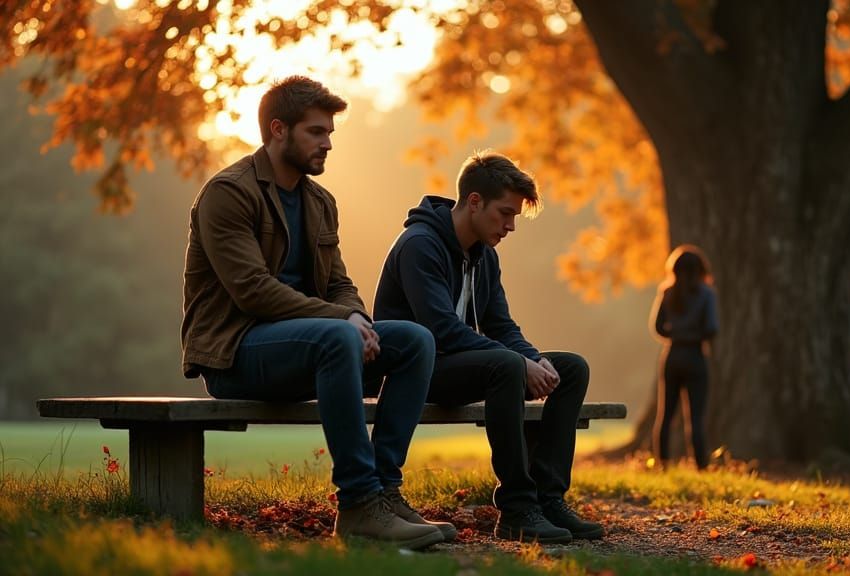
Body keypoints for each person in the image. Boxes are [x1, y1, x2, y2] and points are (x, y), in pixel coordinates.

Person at [180, 76, 450, 549]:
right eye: (316, 132)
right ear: (278, 130)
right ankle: (359, 504)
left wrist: (359, 320)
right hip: (236, 352)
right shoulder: (229, 193)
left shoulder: (320, 201)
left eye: (330, 133)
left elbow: (340, 284)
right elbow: (252, 291)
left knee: (414, 340)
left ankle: (384, 493)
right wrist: (341, 323)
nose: (327, 143)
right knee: (338, 336)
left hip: (315, 349)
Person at [373, 151, 603, 543]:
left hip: (466, 366)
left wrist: (534, 360)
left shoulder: (484, 256)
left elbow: (500, 325)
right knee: (507, 365)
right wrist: (518, 363)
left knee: (571, 368)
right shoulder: (420, 245)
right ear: (474, 201)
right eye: (505, 213)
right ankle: (517, 507)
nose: (511, 226)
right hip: (415, 373)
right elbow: (441, 330)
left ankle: (547, 498)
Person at [650, 245, 719, 470]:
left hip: (672, 357)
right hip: (696, 357)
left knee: (665, 415)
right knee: (696, 418)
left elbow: (657, 327)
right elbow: (711, 329)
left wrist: (676, 333)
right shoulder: (706, 294)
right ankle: (701, 466)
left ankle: (662, 464)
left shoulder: (667, 292)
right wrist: (693, 334)